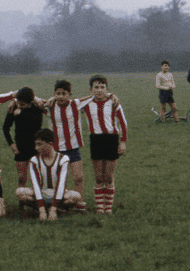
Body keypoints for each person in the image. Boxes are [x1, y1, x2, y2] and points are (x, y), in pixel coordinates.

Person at [78, 74, 127, 214]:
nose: (99, 90)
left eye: (102, 87)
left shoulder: (113, 103)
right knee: (99, 177)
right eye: (96, 87)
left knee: (109, 177)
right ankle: (100, 207)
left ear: (107, 89)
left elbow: (123, 123)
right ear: (91, 90)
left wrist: (122, 142)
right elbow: (71, 104)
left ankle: (108, 208)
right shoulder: (86, 104)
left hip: (111, 140)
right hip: (96, 140)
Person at [15, 129, 84, 221]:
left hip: (59, 194)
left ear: (50, 144)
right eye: (35, 144)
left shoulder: (63, 159)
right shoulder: (34, 160)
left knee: (76, 196)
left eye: (40, 144)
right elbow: (35, 185)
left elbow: (61, 184)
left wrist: (54, 208)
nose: (36, 148)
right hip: (41, 193)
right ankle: (42, 209)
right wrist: (41, 208)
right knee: (20, 192)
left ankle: (56, 208)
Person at [47, 79, 89, 210]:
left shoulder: (76, 104)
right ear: (54, 94)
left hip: (73, 148)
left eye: (64, 93)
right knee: (60, 180)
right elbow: (31, 99)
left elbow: (93, 97)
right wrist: (14, 101)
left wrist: (111, 95)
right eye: (57, 93)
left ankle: (79, 204)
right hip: (57, 150)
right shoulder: (49, 106)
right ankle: (61, 204)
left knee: (78, 177)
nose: (60, 96)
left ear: (70, 95)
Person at [1, 86, 46, 188]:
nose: (19, 105)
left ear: (30, 103)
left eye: (23, 104)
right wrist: (11, 144)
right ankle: (22, 201)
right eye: (18, 102)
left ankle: (39, 199)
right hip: (20, 149)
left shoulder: (36, 109)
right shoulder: (14, 108)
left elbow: (36, 124)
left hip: (35, 148)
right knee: (22, 178)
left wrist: (22, 114)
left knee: (37, 177)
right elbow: (5, 128)